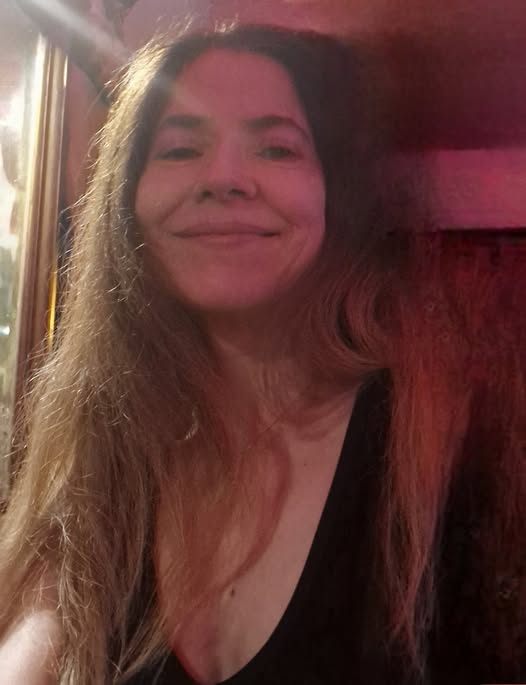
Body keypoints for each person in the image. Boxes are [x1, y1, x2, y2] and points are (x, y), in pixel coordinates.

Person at [0, 22, 525, 685]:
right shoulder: (106, 450)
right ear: (126, 207)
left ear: (333, 197)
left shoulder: (450, 442)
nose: (224, 178)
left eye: (276, 148)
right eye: (180, 148)